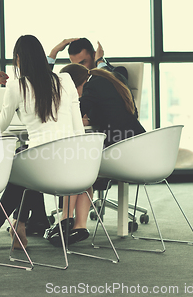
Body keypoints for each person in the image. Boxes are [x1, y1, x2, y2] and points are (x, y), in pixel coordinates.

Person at [0, 34, 84, 256]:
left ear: (18, 59)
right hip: (73, 169)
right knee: (23, 161)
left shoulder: (17, 85)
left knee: (16, 166)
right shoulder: (65, 80)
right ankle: (18, 226)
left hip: (41, 171)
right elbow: (78, 130)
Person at [45, 63, 146, 246]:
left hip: (123, 149)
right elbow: (114, 112)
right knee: (82, 161)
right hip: (137, 144)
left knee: (78, 163)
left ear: (75, 85)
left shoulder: (92, 86)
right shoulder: (109, 79)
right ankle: (79, 226)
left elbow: (72, 116)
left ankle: (66, 218)